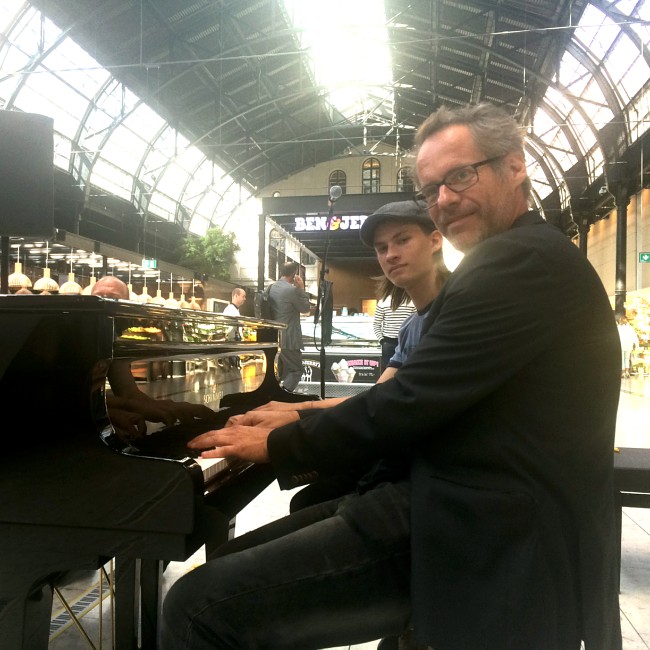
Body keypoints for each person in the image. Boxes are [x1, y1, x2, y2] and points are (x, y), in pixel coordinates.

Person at [161, 103, 622, 650]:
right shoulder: (515, 258)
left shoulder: (521, 262)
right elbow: (417, 399)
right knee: (231, 572)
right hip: (454, 499)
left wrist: (283, 441)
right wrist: (297, 418)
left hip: (483, 526)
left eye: (460, 176)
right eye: (432, 190)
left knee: (196, 607)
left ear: (515, 167)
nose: (445, 200)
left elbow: (405, 402)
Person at [255, 200, 451, 512]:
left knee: (307, 504)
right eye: (381, 247)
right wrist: (298, 409)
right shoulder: (412, 326)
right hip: (404, 458)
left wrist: (296, 418)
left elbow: (392, 409)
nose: (391, 254)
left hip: (431, 476)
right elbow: (380, 396)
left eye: (403, 240)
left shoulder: (457, 313)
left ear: (435, 240)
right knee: (306, 500)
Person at [91, 275, 215, 440]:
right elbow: (66, 396)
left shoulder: (111, 336)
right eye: (98, 297)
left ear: (126, 310)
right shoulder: (69, 330)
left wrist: (167, 406)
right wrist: (115, 410)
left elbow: (128, 392)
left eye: (113, 299)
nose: (103, 304)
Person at [267, 261, 311, 392]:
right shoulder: (292, 290)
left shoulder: (270, 288)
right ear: (294, 274)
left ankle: (275, 395)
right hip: (289, 338)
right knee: (296, 370)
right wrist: (301, 289)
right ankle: (282, 394)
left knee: (280, 371)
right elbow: (305, 308)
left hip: (274, 336)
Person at [373, 289, 416, 373]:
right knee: (406, 370)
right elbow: (415, 323)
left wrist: (382, 341)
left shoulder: (383, 302)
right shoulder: (411, 301)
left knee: (387, 370)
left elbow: (376, 324)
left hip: (389, 342)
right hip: (403, 341)